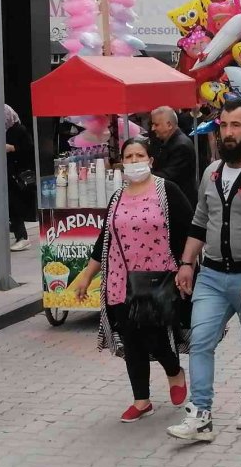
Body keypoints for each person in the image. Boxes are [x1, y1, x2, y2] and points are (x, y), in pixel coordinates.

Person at [169, 96, 241, 441]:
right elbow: (199, 221)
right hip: (212, 275)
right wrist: (187, 263)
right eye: (224, 125)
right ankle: (200, 414)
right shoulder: (211, 173)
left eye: (236, 125)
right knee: (200, 340)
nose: (229, 132)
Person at [73, 138, 192, 422]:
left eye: (140, 155)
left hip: (157, 280)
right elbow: (104, 240)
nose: (135, 161)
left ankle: (174, 371)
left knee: (155, 335)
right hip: (119, 281)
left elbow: (190, 229)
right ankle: (141, 400)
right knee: (131, 340)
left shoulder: (167, 190)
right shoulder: (117, 197)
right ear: (122, 162)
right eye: (129, 156)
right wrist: (87, 276)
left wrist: (186, 265)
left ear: (151, 160)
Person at [150, 106, 198, 207]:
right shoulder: (169, 142)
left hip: (181, 204)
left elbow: (168, 176)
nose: (153, 128)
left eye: (156, 124)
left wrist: (143, 175)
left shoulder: (181, 146)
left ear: (169, 125)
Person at [3, 105, 34, 252]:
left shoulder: (19, 130)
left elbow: (29, 149)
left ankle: (22, 236)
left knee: (15, 204)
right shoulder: (2, 131)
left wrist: (13, 148)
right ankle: (19, 234)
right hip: (8, 172)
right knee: (11, 205)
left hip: (18, 174)